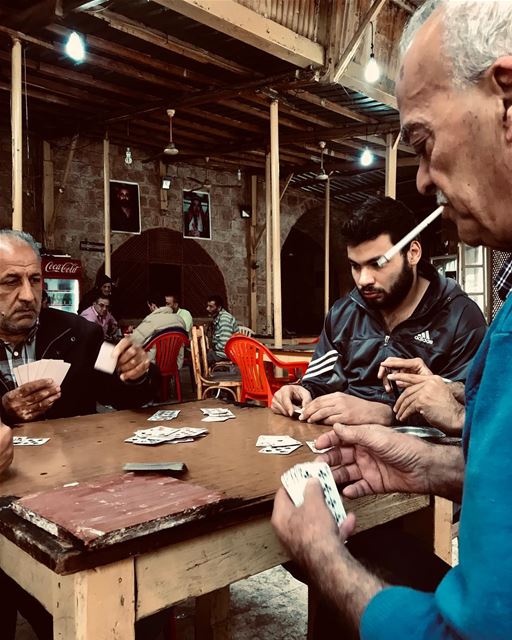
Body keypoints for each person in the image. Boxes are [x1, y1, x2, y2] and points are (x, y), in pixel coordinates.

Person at [272, 1, 512, 638]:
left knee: (350, 562)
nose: (425, 181)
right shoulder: (349, 313)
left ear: (507, 100)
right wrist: (426, 465)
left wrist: (320, 551)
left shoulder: (469, 320)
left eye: (426, 143)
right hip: (386, 480)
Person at [272, 196, 486, 426]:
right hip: (339, 446)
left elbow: (472, 413)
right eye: (355, 266)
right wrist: (300, 391)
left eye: (378, 263)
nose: (363, 280)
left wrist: (387, 415)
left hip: (420, 455)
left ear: (413, 253)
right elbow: (320, 381)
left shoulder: (460, 318)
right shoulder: (343, 314)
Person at [0, 230, 157, 425]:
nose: (29, 296)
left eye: (35, 280)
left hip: (73, 452)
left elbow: (126, 396)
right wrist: (3, 412)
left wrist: (135, 372)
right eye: (11, 281)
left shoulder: (81, 334)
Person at [131, 293, 187, 364]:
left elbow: (134, 341)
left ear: (153, 305)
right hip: (174, 364)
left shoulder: (151, 320)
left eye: (149, 306)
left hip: (153, 366)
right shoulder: (180, 320)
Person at [206, 295, 238, 365]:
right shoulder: (218, 318)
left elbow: (224, 344)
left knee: (200, 360)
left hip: (226, 354)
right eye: (208, 306)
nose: (207, 309)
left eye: (211, 307)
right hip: (221, 352)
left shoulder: (224, 319)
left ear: (219, 308)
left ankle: (201, 376)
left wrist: (213, 348)